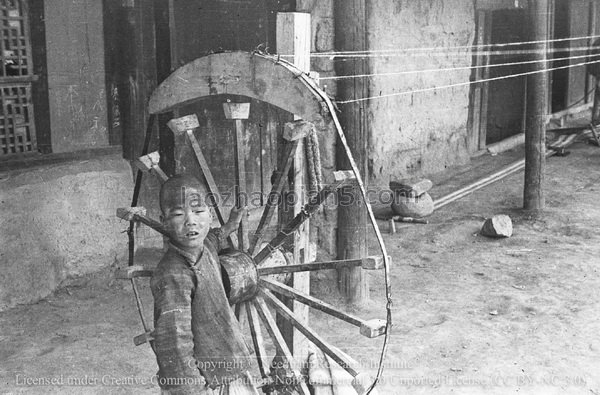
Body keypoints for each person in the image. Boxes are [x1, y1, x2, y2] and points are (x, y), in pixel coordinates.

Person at [151, 174, 258, 395]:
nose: (190, 221)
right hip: (199, 381)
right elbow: (174, 339)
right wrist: (192, 388)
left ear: (209, 215)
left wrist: (231, 224)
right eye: (179, 214)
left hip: (228, 361)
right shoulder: (173, 273)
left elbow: (217, 237)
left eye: (199, 212)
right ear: (164, 221)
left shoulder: (206, 246)